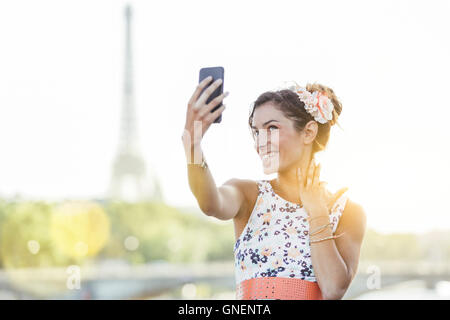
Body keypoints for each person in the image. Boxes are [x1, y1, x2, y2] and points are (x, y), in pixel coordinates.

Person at [181, 77, 366, 300]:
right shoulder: (248, 195)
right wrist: (192, 143)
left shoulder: (347, 211)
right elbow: (210, 203)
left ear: (308, 132)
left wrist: (317, 212)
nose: (261, 142)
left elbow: (333, 288)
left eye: (272, 128)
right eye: (257, 132)